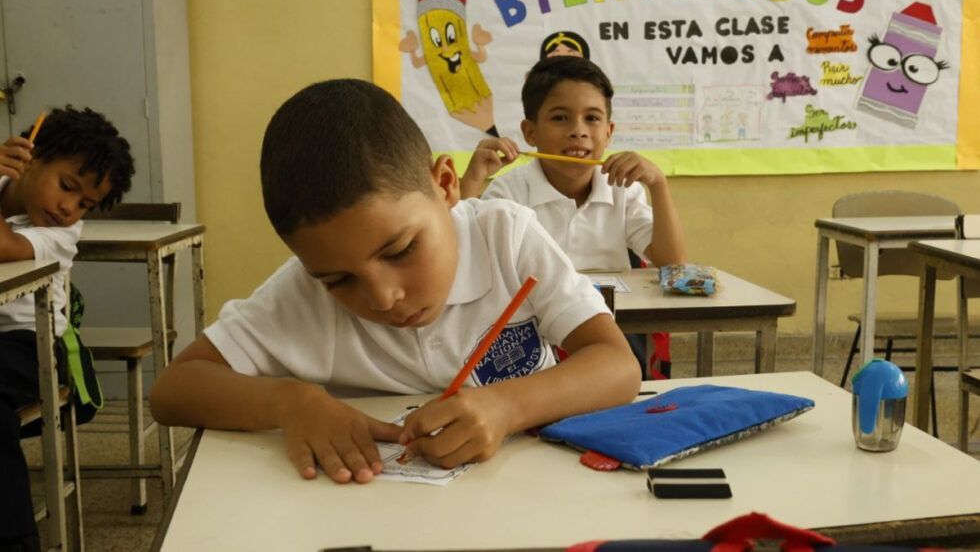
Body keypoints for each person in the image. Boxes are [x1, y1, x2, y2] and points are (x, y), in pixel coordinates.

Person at [149, 79, 640, 486]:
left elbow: (617, 365)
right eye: (339, 280)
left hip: (538, 498)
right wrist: (290, 401)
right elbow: (173, 390)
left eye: (401, 250)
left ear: (445, 185)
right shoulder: (302, 291)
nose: (383, 297)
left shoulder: (506, 238)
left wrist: (507, 407)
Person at [458, 56, 687, 372]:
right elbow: (459, 255)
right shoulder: (508, 192)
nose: (578, 132)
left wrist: (658, 185)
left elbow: (672, 263)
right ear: (530, 132)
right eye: (560, 118)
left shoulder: (623, 189)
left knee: (629, 370)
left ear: (609, 132)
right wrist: (471, 181)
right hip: (536, 332)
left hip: (610, 330)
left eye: (592, 118)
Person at [0, 107, 135, 552]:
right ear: (30, 155)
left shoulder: (62, 234)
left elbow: (4, 247)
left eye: (84, 204)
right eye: (67, 186)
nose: (67, 208)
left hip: (32, 347)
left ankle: (16, 541)